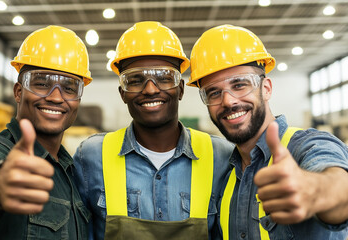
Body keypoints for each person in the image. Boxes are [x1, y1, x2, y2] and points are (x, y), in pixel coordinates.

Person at [73, 21, 234, 240]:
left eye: (164, 77)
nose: (150, 89)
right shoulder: (91, 157)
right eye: (135, 80)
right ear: (122, 93)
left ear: (180, 89)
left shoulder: (221, 156)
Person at [187, 24, 348, 239]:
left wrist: (314, 190)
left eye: (240, 85)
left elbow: (338, 185)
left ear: (266, 88)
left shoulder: (306, 146)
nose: (228, 101)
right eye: (214, 92)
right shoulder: (225, 177)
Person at [0, 25, 92, 239]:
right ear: (18, 92)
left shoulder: (71, 171)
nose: (56, 97)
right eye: (41, 83)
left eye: (69, 88)